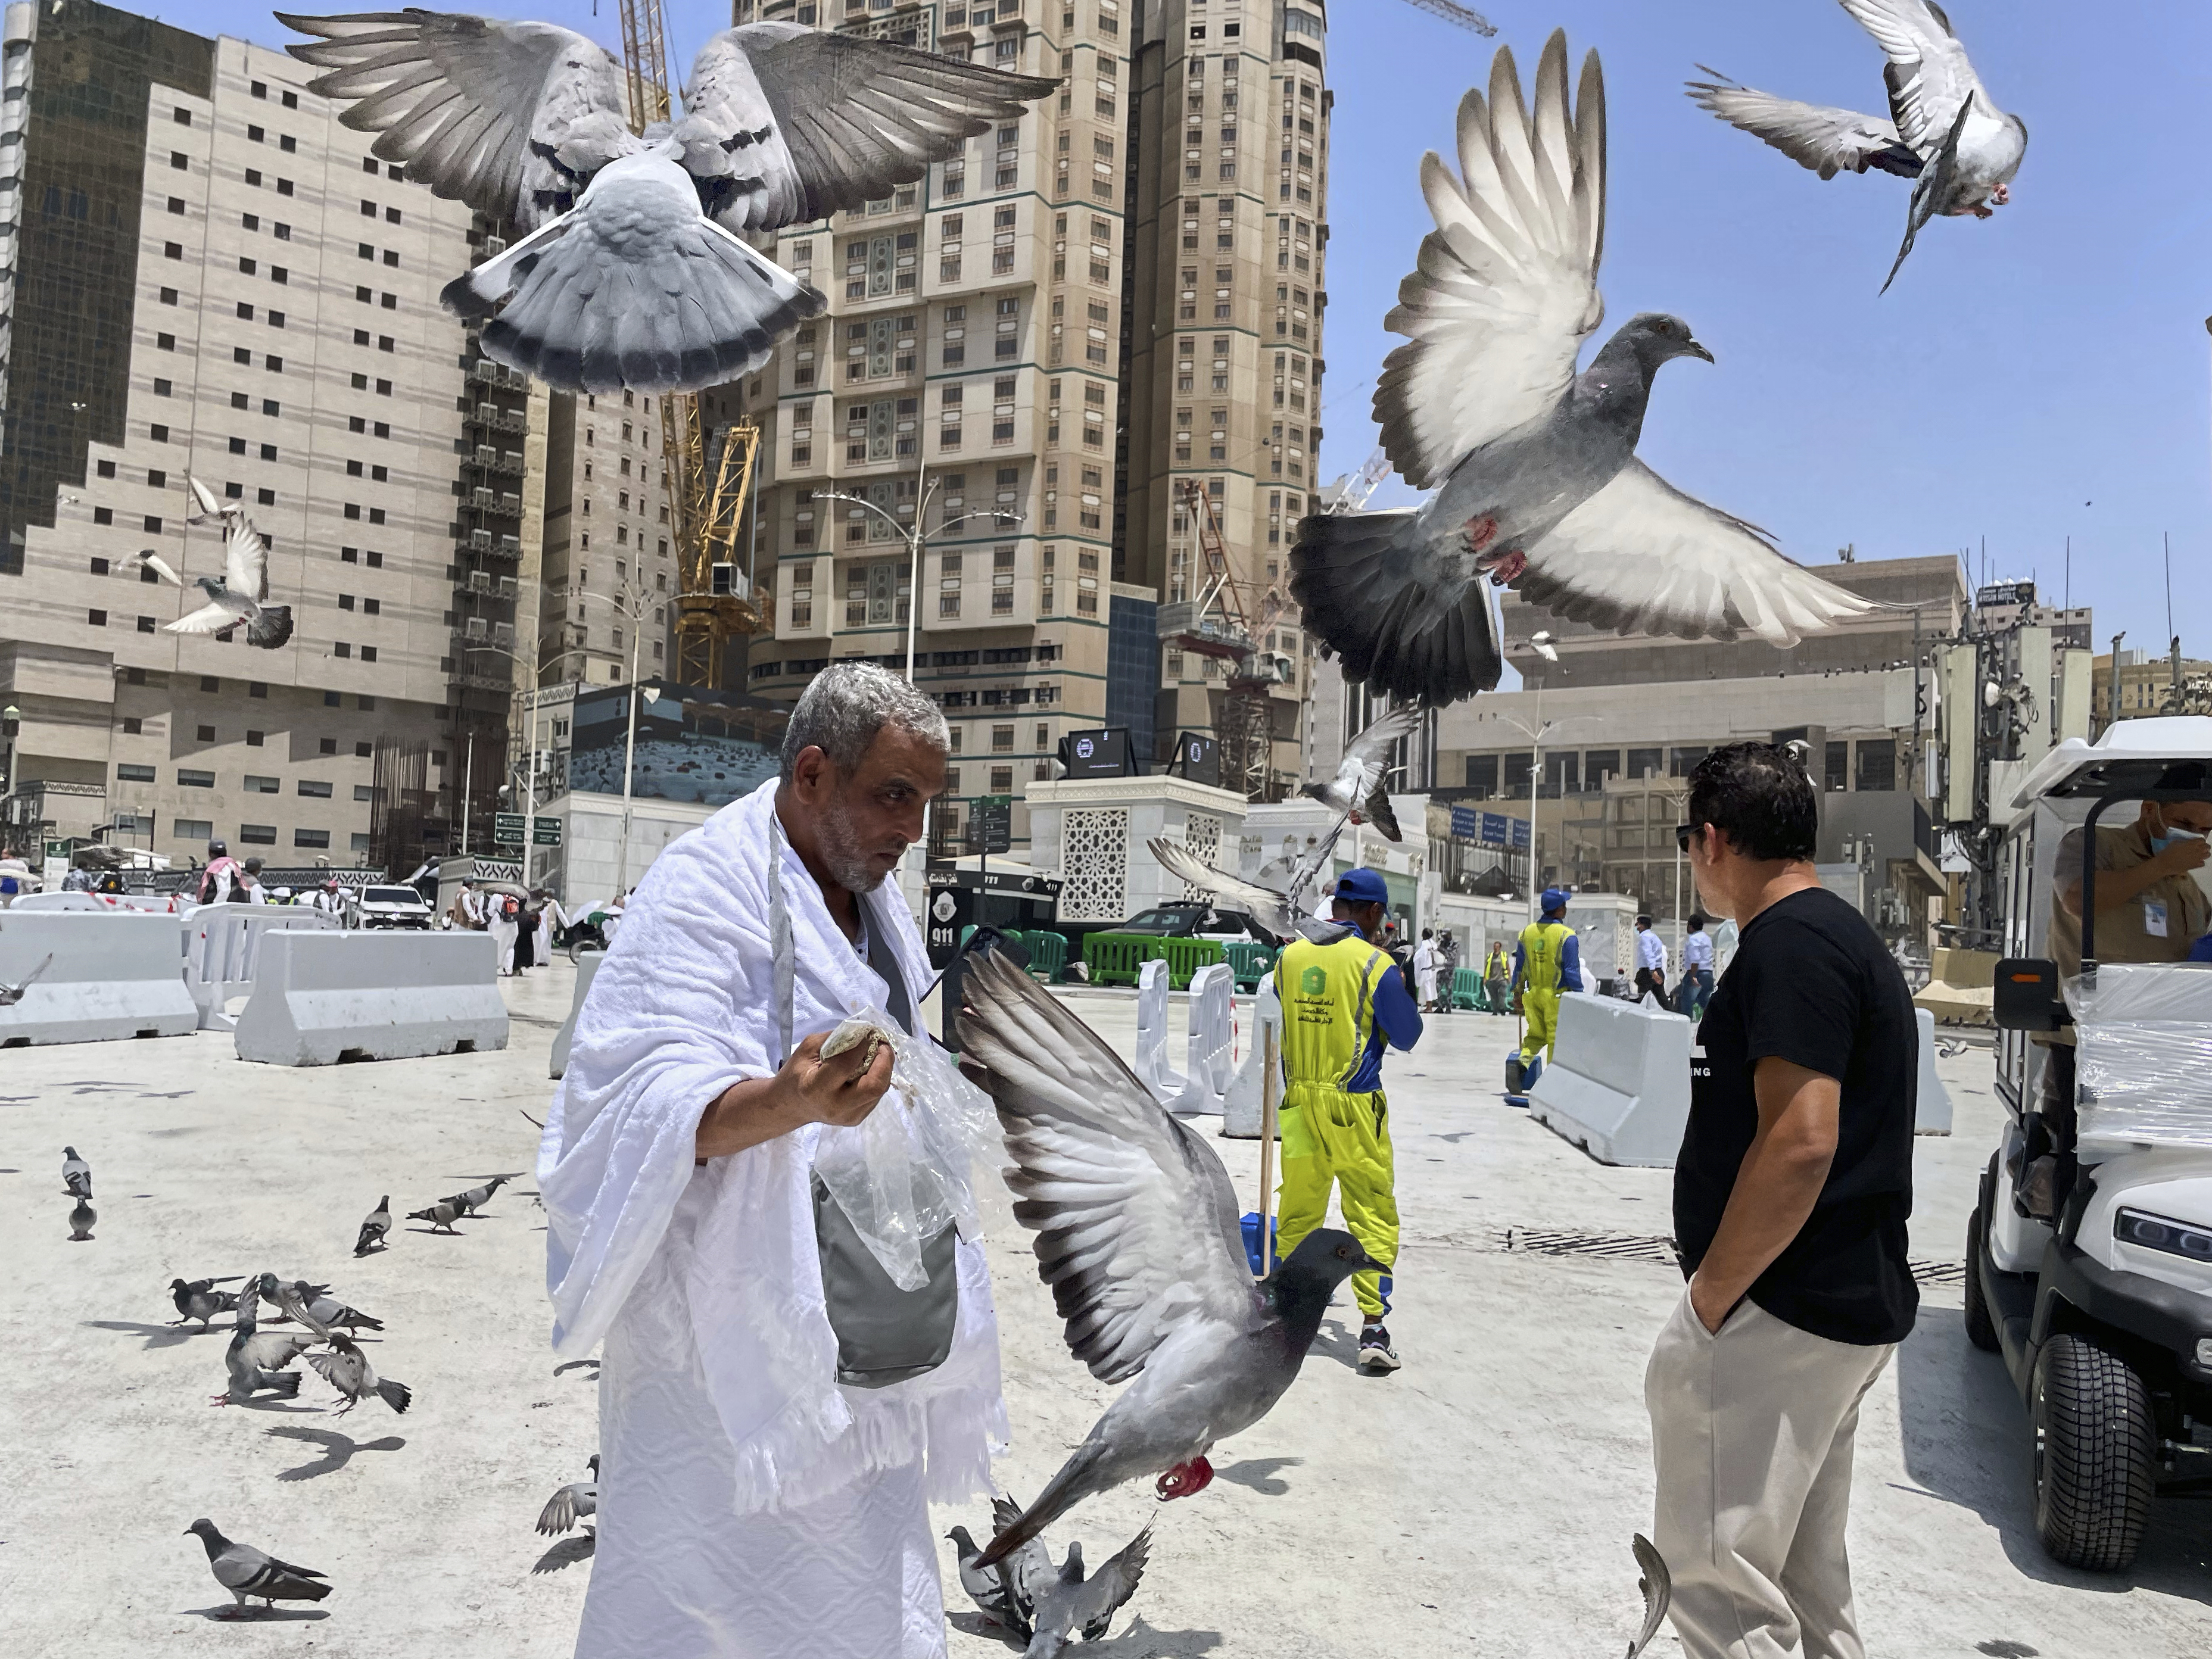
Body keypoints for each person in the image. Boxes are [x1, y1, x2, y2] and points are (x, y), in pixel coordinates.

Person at [540, 662, 1002, 1658]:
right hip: (710, 1341)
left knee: (860, 1586)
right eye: (893, 795)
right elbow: (631, 1097)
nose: (913, 828)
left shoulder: (868, 894)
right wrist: (788, 1102)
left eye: (925, 801)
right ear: (809, 774)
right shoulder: (703, 885)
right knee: (694, 1589)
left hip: (851, 1325)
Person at [1646, 741, 1918, 1659]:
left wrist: (1710, 1299)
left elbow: (1801, 1141)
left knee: (1721, 1587)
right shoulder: (1834, 937)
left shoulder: (1792, 948)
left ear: (1713, 840)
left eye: (1689, 838)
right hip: (1831, 1307)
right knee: (1803, 1584)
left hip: (1777, 1308)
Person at [2025, 796, 2212, 1217]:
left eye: (2205, 830)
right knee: (2077, 1164)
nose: (2195, 837)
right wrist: (2160, 866)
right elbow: (2078, 899)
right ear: (2149, 810)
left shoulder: (2187, 887)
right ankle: (2065, 1245)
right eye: (2184, 821)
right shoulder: (2094, 844)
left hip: (2164, 1052)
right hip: (2087, 1044)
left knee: (2154, 1169)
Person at [1272, 867, 1423, 1374]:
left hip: (1297, 1103)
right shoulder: (1374, 965)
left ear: (1334, 905)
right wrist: (1401, 982)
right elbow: (1406, 1036)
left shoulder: (1288, 957)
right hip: (1354, 1103)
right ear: (1376, 913)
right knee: (1371, 1211)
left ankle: (1287, 1312)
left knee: (1297, 1208)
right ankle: (1374, 1328)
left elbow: (1285, 1005)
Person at [1511, 888, 1582, 1081]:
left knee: (1535, 1036)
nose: (1565, 909)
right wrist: (1581, 995)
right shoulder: (1567, 936)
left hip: (1532, 996)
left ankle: (1521, 1064)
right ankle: (1552, 1083)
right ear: (1558, 910)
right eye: (1564, 906)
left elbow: (1520, 968)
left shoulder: (1527, 933)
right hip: (1557, 999)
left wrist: (1517, 994)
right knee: (1555, 1040)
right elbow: (1572, 971)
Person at [1674, 915, 1715, 1020]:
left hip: (1697, 973)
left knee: (1687, 1001)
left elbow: (1695, 959)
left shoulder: (1693, 939)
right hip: (1709, 974)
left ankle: (1686, 1025)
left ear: (1691, 927)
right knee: (1705, 1002)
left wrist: (1693, 976)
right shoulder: (1707, 938)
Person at [1634, 913, 1668, 1005]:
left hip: (1648, 972)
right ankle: (1674, 1015)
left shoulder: (1645, 937)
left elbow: (1649, 955)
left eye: (1638, 925)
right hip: (1656, 970)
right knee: (1662, 999)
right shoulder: (1654, 937)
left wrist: (1653, 971)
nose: (1637, 928)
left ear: (1643, 925)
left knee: (1640, 998)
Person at [196, 840, 239, 906]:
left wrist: (214, 908)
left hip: (218, 911)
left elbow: (224, 890)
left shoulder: (220, 867)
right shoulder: (229, 864)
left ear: (210, 853)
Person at [488, 890, 519, 976]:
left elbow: (490, 912)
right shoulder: (515, 899)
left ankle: (495, 967)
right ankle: (509, 970)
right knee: (510, 947)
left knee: (497, 946)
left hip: (499, 924)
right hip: (513, 925)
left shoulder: (496, 897)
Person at [1412, 927, 1441, 1012]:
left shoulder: (1425, 944)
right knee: (1431, 986)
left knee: (1427, 987)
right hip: (1433, 970)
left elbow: (1420, 955)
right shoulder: (1433, 944)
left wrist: (1414, 957)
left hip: (1426, 969)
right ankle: (1429, 1006)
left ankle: (1429, 1007)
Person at [1484, 940, 1512, 1015]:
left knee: (1502, 996)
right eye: (1494, 947)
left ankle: (1502, 1009)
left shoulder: (1503, 956)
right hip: (1492, 980)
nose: (1495, 948)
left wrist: (1509, 977)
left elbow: (1508, 967)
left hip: (1502, 980)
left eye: (1497, 947)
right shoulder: (1490, 956)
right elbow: (1487, 968)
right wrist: (1485, 978)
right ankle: (1495, 1011)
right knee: (1493, 997)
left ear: (1500, 948)